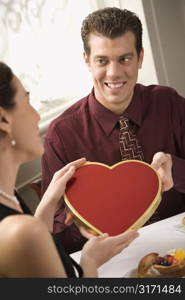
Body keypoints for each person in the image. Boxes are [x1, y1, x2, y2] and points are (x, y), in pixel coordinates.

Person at [41, 7, 185, 254]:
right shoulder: (61, 135)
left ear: (140, 57)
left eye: (124, 59)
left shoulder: (168, 103)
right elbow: (55, 239)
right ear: (87, 60)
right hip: (110, 262)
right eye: (102, 60)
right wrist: (81, 228)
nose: (114, 73)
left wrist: (178, 171)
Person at [0, 61, 139, 278]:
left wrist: (47, 204)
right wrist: (90, 260)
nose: (37, 116)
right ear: (3, 120)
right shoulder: (22, 232)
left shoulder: (10, 197)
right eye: (26, 101)